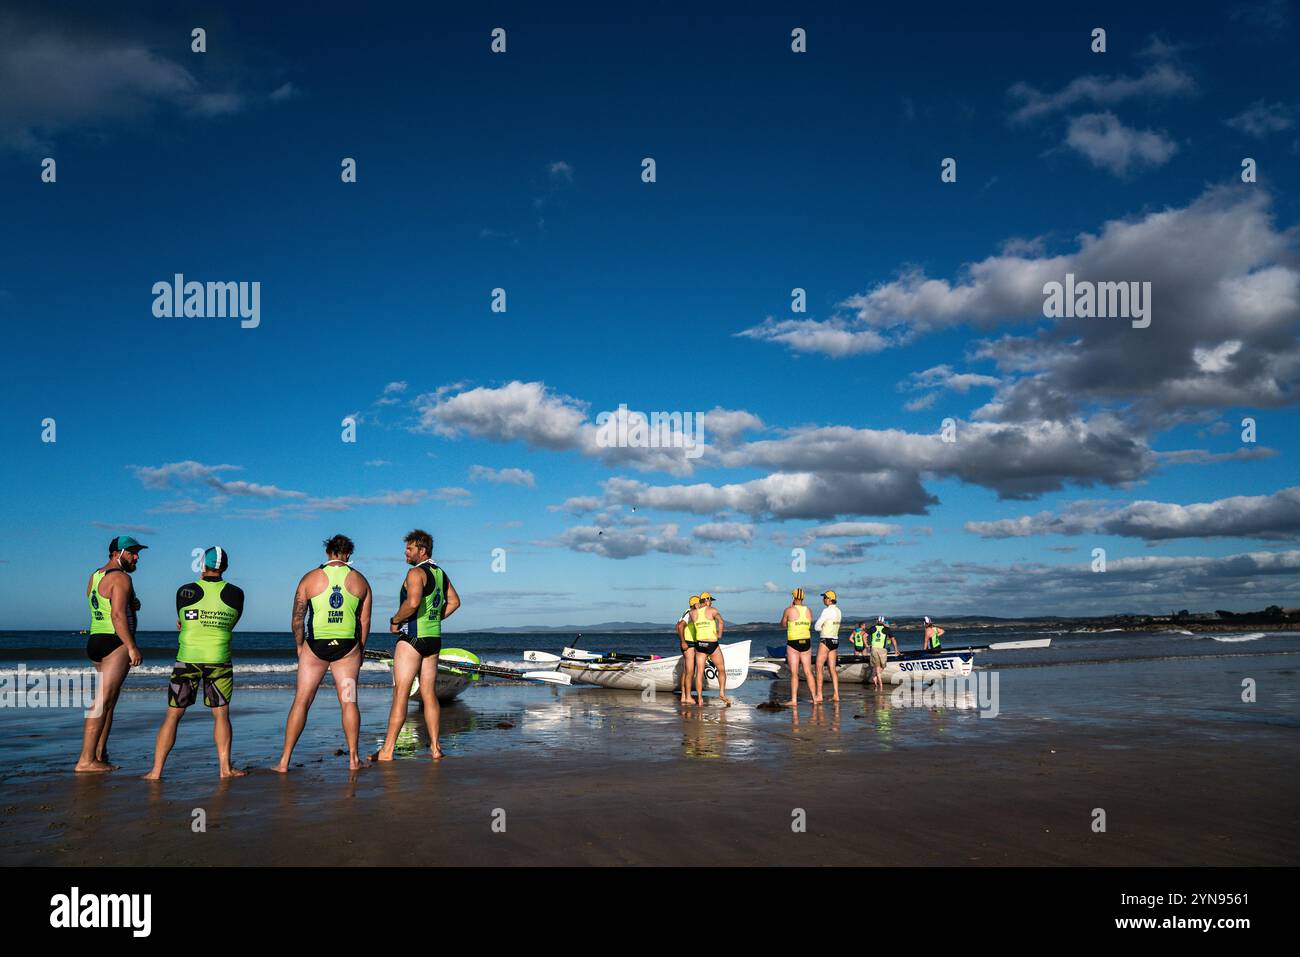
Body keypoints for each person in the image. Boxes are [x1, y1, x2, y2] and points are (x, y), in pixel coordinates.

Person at [144, 546, 246, 779]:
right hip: (218, 658)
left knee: (173, 714)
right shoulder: (237, 593)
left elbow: (182, 621)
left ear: (203, 566)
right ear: (226, 567)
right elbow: (232, 623)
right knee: (221, 714)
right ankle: (225, 769)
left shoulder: (184, 590)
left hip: (187, 658)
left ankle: (156, 771)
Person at [275, 535, 372, 772]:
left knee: (302, 701)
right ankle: (353, 760)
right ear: (348, 554)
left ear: (328, 552)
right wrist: (359, 649)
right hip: (347, 650)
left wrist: (300, 646)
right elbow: (365, 620)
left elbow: (297, 618)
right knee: (349, 702)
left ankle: (284, 762)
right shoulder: (361, 581)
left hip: (315, 647)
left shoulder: (310, 578)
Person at [374, 529, 460, 761]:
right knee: (429, 694)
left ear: (422, 550)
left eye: (410, 548)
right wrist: (433, 619)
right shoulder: (440, 573)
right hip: (433, 639)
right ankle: (435, 748)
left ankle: (387, 751)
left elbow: (412, 603)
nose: (406, 552)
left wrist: (395, 620)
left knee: (400, 693)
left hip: (411, 639)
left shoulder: (416, 573)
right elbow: (454, 602)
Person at [76, 536, 146, 772]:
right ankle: (86, 760)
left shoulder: (95, 576)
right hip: (115, 641)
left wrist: (131, 603)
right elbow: (116, 616)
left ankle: (98, 754)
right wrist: (131, 646)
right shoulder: (121, 577)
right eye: (133, 553)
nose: (137, 557)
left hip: (96, 640)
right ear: (118, 553)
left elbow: (99, 603)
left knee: (109, 702)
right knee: (103, 702)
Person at [778, 588, 817, 706]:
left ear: (793, 598)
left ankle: (794, 700)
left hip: (793, 642)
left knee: (794, 673)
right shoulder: (809, 610)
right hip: (806, 641)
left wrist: (790, 609)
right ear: (803, 598)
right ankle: (814, 699)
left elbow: (782, 625)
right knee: (808, 671)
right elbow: (809, 625)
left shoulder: (789, 610)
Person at [690, 592, 729, 706]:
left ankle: (700, 699)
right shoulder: (712, 610)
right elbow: (721, 622)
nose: (711, 602)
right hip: (712, 644)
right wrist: (719, 634)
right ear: (706, 600)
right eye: (710, 600)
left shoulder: (693, 613)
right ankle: (721, 692)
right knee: (721, 669)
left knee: (699, 673)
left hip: (700, 645)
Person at [812, 590, 843, 702]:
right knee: (832, 669)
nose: (823, 599)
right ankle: (836, 695)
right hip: (835, 640)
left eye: (825, 598)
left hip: (826, 640)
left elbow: (816, 626)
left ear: (830, 600)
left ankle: (819, 696)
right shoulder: (839, 611)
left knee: (818, 667)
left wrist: (822, 627)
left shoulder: (826, 611)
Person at [676, 595, 700, 703]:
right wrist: (683, 641)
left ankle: (684, 696)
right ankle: (688, 697)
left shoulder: (686, 612)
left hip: (688, 643)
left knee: (686, 671)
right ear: (695, 604)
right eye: (699, 603)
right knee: (690, 671)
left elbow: (677, 625)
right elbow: (680, 626)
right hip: (689, 644)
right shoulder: (690, 613)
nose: (701, 605)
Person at [869, 616, 900, 691]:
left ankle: (875, 677)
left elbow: (864, 636)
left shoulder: (872, 628)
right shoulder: (887, 629)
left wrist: (867, 645)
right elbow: (893, 639)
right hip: (882, 650)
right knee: (882, 666)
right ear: (883, 622)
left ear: (877, 621)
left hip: (874, 648)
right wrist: (896, 649)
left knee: (877, 666)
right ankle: (880, 684)